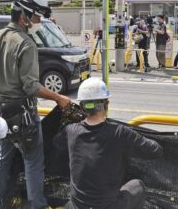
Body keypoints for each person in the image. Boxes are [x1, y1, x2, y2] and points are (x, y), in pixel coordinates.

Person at [0, 0, 71, 208]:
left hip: (0, 112)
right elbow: (31, 86)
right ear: (24, 15)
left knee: (3, 158)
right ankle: (36, 205)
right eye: (37, 16)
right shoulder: (26, 43)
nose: (39, 20)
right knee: (32, 161)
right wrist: (59, 97)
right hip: (23, 116)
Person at [54, 77, 163, 209]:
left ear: (82, 106)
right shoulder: (119, 133)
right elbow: (156, 150)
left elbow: (56, 143)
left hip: (77, 206)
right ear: (106, 104)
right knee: (137, 185)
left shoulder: (70, 131)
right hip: (109, 206)